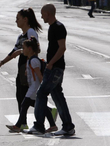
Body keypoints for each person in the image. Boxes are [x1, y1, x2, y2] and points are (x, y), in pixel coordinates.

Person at [0, 8, 42, 130]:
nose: (16, 21)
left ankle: (26, 121)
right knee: (21, 95)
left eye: (18, 18)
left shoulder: (31, 32)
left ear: (25, 19)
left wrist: (23, 55)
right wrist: (1, 63)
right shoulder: (21, 36)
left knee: (24, 96)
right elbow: (13, 52)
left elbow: (37, 49)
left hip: (28, 67)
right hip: (22, 67)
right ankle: (24, 122)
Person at [30, 4, 75, 135]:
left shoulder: (58, 27)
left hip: (55, 68)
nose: (41, 16)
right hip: (54, 67)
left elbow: (62, 48)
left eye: (42, 14)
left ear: (48, 14)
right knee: (57, 96)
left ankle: (39, 125)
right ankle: (68, 126)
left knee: (41, 93)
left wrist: (51, 63)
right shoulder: (52, 27)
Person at [6, 37, 57, 133]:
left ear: (30, 49)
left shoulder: (34, 61)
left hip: (35, 88)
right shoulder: (31, 60)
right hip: (33, 87)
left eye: (24, 48)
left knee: (24, 104)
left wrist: (44, 88)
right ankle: (53, 125)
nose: (22, 50)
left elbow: (39, 75)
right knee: (40, 105)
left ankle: (18, 126)